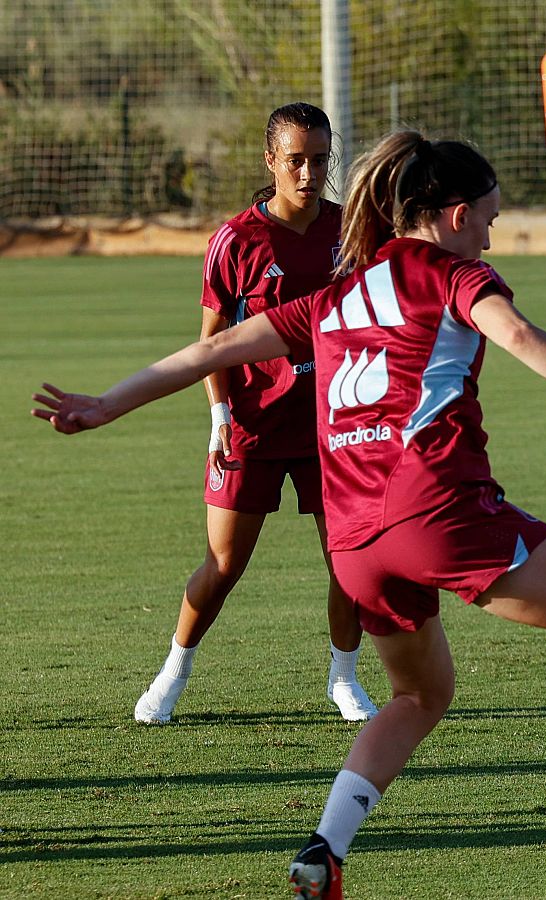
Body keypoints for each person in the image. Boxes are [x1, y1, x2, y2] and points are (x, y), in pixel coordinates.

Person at [33, 131, 546, 899]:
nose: (491, 232)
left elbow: (206, 354)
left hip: (353, 545)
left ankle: (324, 850)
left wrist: (106, 404)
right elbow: (515, 334)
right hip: (435, 512)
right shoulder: (454, 274)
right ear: (450, 216)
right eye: (487, 216)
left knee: (421, 695)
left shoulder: (333, 295)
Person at [133, 102, 378, 725]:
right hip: (252, 423)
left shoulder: (351, 233)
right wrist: (218, 419)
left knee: (350, 562)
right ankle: (173, 671)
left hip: (335, 426)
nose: (307, 172)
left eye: (319, 160)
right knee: (222, 565)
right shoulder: (236, 240)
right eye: (295, 159)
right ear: (270, 161)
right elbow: (209, 342)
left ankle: (343, 678)